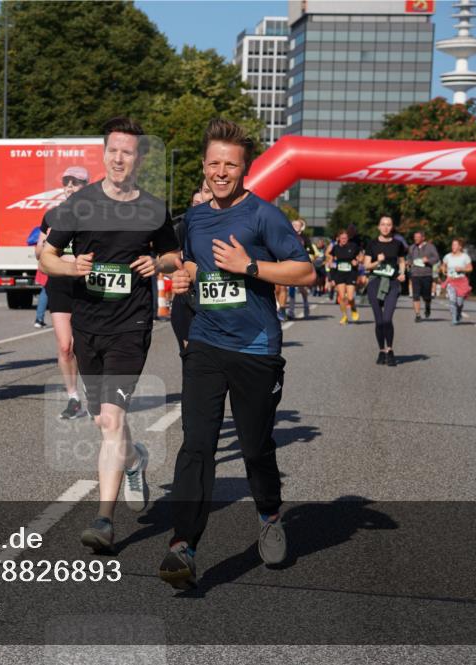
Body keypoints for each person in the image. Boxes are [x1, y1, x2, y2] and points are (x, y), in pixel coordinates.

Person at [158, 118, 314, 590]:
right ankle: (182, 544)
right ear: (203, 167)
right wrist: (180, 273)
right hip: (206, 341)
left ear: (244, 168)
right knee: (197, 444)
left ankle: (268, 514)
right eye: (214, 164)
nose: (221, 172)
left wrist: (249, 266)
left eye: (231, 164)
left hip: (256, 347)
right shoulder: (197, 217)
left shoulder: (265, 215)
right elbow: (181, 259)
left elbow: (305, 272)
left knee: (254, 447)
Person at [39, 117, 181, 553]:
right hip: (88, 324)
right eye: (113, 150)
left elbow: (175, 255)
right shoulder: (79, 204)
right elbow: (47, 256)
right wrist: (71, 267)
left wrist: (157, 264)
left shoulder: (153, 209)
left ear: (139, 159)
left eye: (129, 152)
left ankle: (103, 519)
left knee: (111, 420)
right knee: (105, 421)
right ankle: (136, 459)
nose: (120, 158)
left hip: (131, 324)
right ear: (104, 154)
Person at [36, 166, 90, 418]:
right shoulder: (52, 216)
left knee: (87, 345)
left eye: (76, 182)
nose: (70, 186)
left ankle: (97, 396)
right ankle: (73, 398)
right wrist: (47, 243)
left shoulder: (94, 215)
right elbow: (39, 254)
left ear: (86, 187)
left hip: (86, 284)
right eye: (66, 182)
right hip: (58, 283)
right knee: (65, 346)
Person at [170, 181, 213, 353]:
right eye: (206, 191)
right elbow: (172, 257)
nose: (209, 196)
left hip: (223, 306)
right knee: (191, 361)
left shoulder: (240, 222)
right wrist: (175, 272)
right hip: (188, 302)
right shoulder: (186, 224)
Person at [364, 215, 407, 366]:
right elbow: (366, 266)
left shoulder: (398, 244)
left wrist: (402, 273)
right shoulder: (372, 244)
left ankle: (390, 350)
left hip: (392, 283)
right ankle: (381, 351)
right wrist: (378, 261)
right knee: (379, 321)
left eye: (388, 224)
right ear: (378, 226)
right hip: (375, 282)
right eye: (383, 224)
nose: (386, 227)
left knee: (387, 319)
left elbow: (402, 261)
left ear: (392, 227)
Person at [325, 230, 361, 325]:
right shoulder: (335, 248)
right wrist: (331, 276)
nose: (344, 240)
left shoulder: (353, 246)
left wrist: (357, 262)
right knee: (341, 297)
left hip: (351, 273)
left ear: (348, 238)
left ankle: (353, 308)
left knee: (350, 297)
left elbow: (361, 257)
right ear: (338, 239)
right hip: (339, 274)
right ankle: (344, 316)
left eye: (345, 238)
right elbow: (331, 261)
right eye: (342, 238)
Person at [407, 230, 439, 322]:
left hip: (426, 274)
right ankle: (417, 315)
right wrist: (408, 262)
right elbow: (409, 258)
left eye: (417, 237)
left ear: (423, 238)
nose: (415, 238)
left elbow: (436, 258)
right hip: (415, 274)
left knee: (426, 296)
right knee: (415, 295)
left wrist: (428, 260)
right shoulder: (412, 247)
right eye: (414, 237)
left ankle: (427, 305)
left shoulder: (430, 247)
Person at [442, 237, 473, 325]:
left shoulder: (465, 257)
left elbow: (470, 268)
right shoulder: (447, 256)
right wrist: (443, 270)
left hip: (462, 281)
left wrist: (462, 269)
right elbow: (443, 265)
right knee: (452, 300)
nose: (453, 246)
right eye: (452, 245)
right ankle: (454, 318)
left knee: (459, 302)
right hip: (451, 280)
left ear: (460, 247)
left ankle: (458, 313)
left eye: (455, 245)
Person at [286, 219, 312, 320]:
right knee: (291, 287)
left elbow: (312, 251)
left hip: (301, 264)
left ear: (302, 227)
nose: (294, 226)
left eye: (297, 225)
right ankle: (291, 311)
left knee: (301, 288)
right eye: (293, 224)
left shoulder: (305, 238)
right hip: (290, 264)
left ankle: (306, 304)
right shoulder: (287, 237)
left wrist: (307, 256)